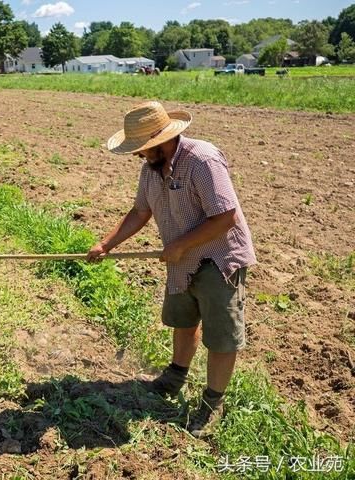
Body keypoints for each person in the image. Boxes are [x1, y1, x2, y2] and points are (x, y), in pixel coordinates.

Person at [87, 101, 257, 438]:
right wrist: (107, 244)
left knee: (221, 336)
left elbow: (226, 217)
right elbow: (139, 212)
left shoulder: (202, 160)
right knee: (183, 319)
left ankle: (211, 403)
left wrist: (180, 245)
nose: (139, 155)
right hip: (181, 260)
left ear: (161, 140)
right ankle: (175, 376)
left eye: (143, 149)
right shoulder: (151, 168)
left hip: (217, 259)